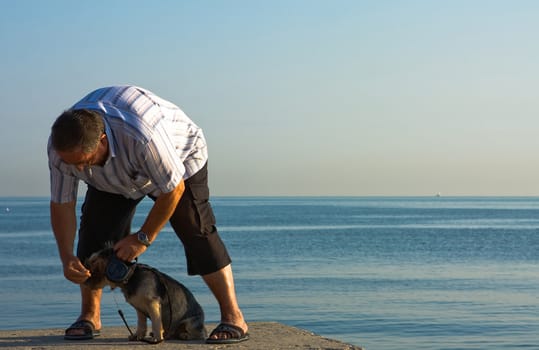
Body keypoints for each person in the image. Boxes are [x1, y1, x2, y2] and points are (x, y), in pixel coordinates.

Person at [47, 85, 249, 344]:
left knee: (195, 228)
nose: (78, 169)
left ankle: (233, 317)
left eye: (83, 161)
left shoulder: (142, 135)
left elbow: (173, 190)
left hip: (180, 162)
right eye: (71, 164)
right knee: (94, 235)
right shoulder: (60, 150)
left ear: (102, 141)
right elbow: (62, 203)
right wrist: (66, 257)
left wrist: (142, 238)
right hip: (113, 176)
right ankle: (90, 316)